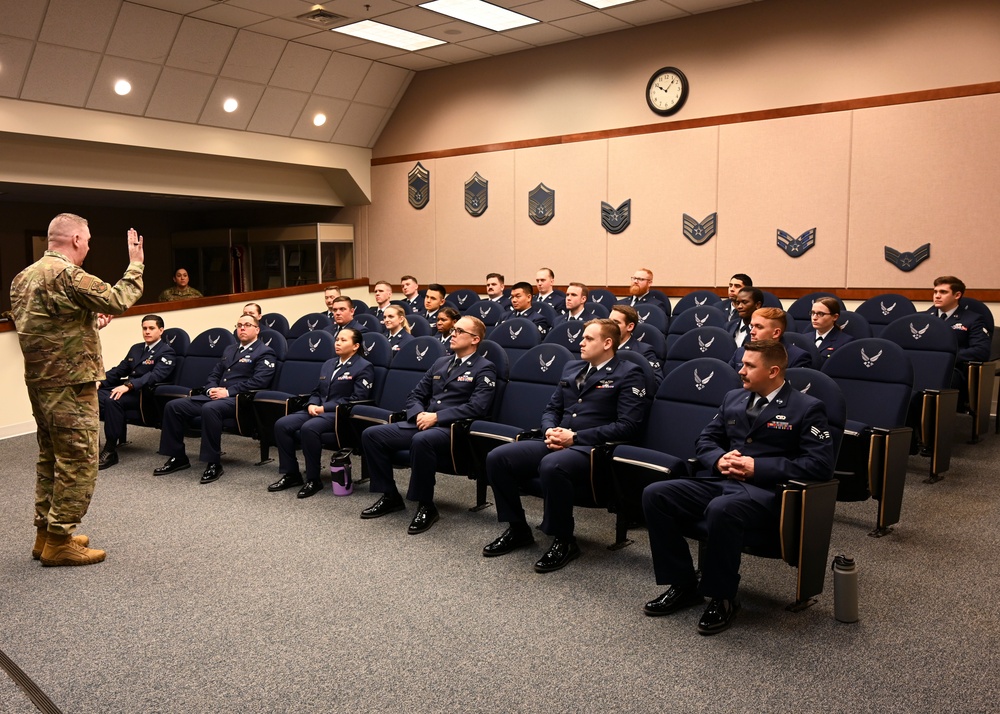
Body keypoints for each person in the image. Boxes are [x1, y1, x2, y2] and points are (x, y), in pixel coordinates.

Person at [641, 340, 834, 635]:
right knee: (657, 494)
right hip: (721, 480)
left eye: (748, 366)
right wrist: (718, 460)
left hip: (766, 493)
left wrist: (759, 468)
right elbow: (705, 441)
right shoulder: (733, 398)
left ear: (773, 371)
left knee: (722, 509)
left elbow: (820, 466)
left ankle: (723, 597)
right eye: (742, 363)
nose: (740, 370)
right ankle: (683, 584)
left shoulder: (806, 407)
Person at [10, 212, 144, 566]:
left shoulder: (23, 278)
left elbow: (50, 329)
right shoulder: (68, 274)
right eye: (86, 240)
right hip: (71, 386)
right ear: (75, 240)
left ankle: (45, 532)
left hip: (42, 383)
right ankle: (60, 541)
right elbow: (118, 298)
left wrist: (87, 321)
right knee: (79, 460)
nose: (87, 246)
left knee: (50, 458)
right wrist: (135, 265)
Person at [483, 319, 648, 572]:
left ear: (607, 343)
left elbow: (628, 426)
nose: (580, 342)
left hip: (592, 448)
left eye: (588, 338)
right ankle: (517, 528)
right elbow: (552, 408)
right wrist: (550, 429)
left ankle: (564, 539)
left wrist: (575, 438)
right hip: (558, 439)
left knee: (552, 465)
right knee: (498, 457)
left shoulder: (629, 372)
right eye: (582, 337)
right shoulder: (572, 368)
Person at [360, 316, 497, 535]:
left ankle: (426, 505)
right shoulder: (440, 362)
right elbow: (415, 394)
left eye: (460, 331)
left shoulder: (485, 368)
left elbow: (477, 408)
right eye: (454, 329)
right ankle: (390, 495)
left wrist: (437, 417)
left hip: (451, 430)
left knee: (421, 440)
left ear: (475, 339)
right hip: (423, 423)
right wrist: (418, 415)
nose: (453, 333)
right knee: (372, 435)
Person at [154, 315, 276, 483]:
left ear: (257, 329)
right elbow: (215, 374)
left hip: (239, 400)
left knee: (210, 409)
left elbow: (260, 381)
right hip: (216, 396)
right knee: (173, 406)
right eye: (239, 325)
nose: (242, 328)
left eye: (247, 325)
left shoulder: (265, 352)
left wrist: (227, 392)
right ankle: (177, 457)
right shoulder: (230, 349)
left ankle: (213, 463)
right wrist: (211, 388)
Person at [268, 328, 374, 499]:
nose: (338, 343)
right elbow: (317, 391)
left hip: (338, 414)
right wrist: (312, 404)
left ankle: (313, 478)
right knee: (282, 424)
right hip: (317, 409)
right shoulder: (329, 364)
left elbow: (357, 399)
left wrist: (325, 408)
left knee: (309, 428)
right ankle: (291, 474)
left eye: (343, 340)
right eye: (337, 339)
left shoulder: (363, 366)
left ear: (355, 346)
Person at [97, 314, 177, 470]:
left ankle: (110, 449)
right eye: (144, 328)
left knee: (113, 400)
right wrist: (100, 381)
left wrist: (129, 385)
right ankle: (89, 444)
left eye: (151, 328)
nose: (147, 331)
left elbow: (155, 376)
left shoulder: (167, 352)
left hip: (143, 394)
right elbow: (119, 370)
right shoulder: (136, 348)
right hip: (128, 389)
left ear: (161, 330)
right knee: (92, 396)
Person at [927, 275, 992, 403]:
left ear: (957, 295)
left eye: (943, 292)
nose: (937, 296)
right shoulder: (922, 318)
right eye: (935, 292)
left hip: (952, 369)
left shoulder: (973, 319)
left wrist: (947, 357)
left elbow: (981, 351)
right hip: (923, 365)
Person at [729, 308, 813, 371]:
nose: (752, 332)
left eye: (759, 327)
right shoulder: (740, 352)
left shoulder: (797, 357)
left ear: (776, 333)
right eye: (752, 326)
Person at [610, 304, 662, 383]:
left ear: (630, 327)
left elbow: (657, 381)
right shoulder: (600, 346)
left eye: (616, 322)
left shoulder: (644, 351)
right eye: (609, 321)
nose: (610, 326)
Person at [810, 297, 853, 361]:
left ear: (835, 317)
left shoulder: (845, 342)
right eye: (813, 313)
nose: (814, 318)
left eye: (821, 314)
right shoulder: (804, 338)